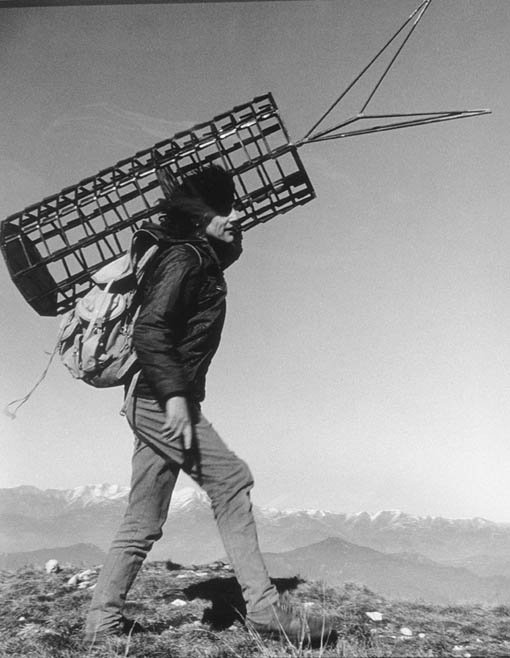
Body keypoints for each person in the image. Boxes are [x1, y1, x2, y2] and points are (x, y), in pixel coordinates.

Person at [84, 165, 334, 647]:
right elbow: (150, 329)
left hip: (152, 398)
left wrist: (223, 226)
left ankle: (101, 623)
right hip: (161, 401)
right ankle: (264, 609)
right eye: (225, 209)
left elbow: (222, 255)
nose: (236, 216)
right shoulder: (184, 258)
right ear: (201, 217)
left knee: (143, 519)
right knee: (231, 481)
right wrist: (176, 397)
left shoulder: (197, 255)